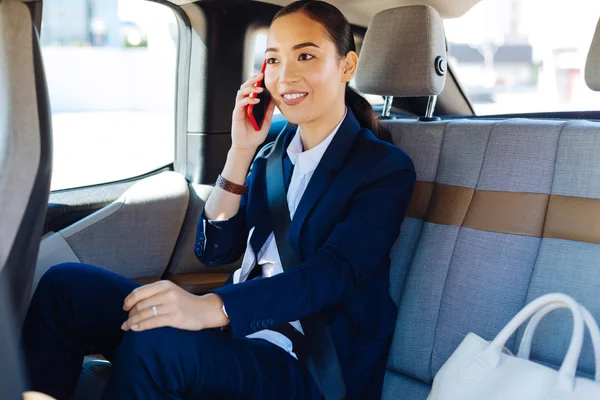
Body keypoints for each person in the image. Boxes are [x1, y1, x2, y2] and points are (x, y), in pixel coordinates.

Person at [22, 1, 416, 399]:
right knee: (64, 288)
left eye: (306, 55)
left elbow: (333, 273)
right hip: (238, 330)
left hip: (307, 361)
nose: (285, 75)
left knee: (155, 345)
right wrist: (241, 152)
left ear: (347, 66)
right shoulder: (272, 151)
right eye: (273, 60)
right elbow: (214, 250)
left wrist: (213, 307)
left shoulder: (383, 168)